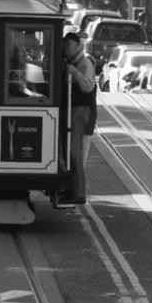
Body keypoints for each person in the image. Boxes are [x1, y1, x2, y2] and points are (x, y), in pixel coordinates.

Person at [61, 32, 96, 206]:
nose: (66, 50)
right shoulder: (72, 62)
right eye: (64, 46)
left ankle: (79, 191)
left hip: (80, 111)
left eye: (68, 46)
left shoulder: (84, 63)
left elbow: (88, 88)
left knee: (75, 151)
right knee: (69, 150)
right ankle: (70, 187)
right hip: (72, 110)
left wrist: (74, 73)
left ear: (77, 46)